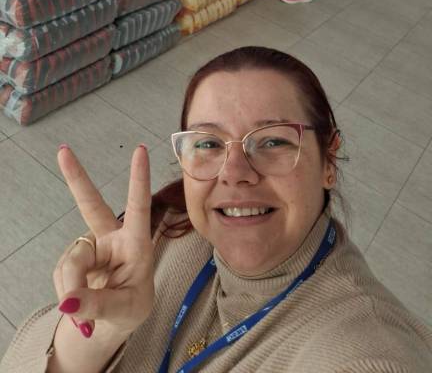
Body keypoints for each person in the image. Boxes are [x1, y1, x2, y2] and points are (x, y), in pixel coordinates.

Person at [1, 47, 431, 373]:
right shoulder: (166, 235)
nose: (235, 173)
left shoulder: (364, 347)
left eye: (273, 141)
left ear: (328, 161)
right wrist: (102, 330)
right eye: (208, 143)